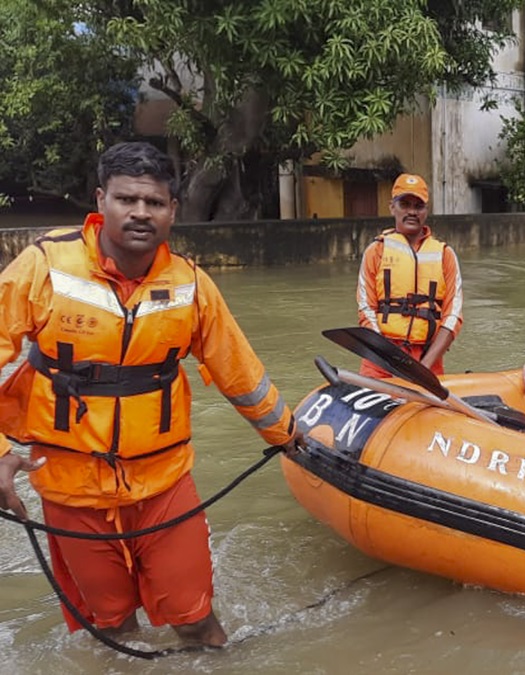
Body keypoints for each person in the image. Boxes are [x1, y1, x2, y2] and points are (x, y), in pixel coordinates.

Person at [0, 142, 302, 648]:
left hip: (164, 486)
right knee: (112, 626)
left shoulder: (191, 285)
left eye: (155, 203)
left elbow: (241, 374)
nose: (141, 212)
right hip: (70, 488)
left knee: (197, 623)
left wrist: (290, 437)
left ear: (172, 212)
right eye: (126, 199)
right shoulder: (42, 267)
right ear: (101, 200)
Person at [356, 173, 463, 377]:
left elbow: (453, 316)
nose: (412, 212)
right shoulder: (375, 251)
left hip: (428, 360)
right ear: (392, 207)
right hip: (380, 360)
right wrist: (388, 356)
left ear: (426, 210)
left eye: (418, 206)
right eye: (404, 204)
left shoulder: (445, 255)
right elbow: (365, 308)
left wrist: (423, 368)